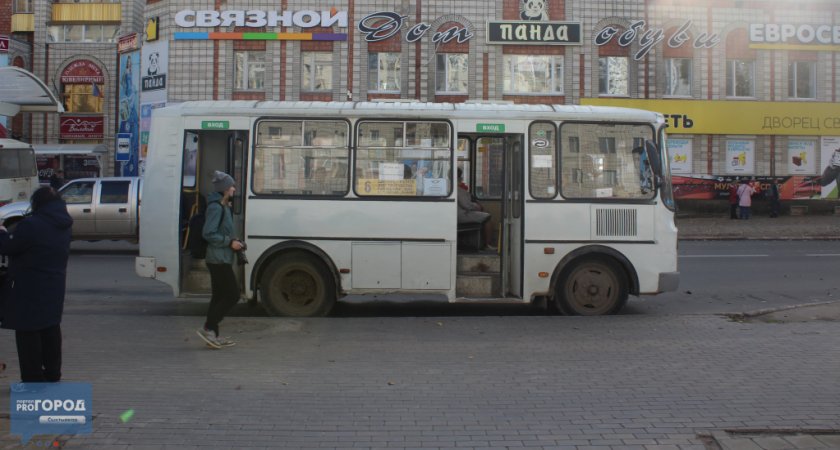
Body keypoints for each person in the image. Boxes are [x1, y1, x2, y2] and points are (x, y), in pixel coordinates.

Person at [0, 187, 73, 382]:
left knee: (27, 332)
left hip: (28, 287)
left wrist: (2, 233)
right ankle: (52, 373)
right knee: (50, 328)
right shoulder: (63, 223)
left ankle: (32, 379)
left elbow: (8, 246)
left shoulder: (32, 225)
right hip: (54, 285)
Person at [196, 171, 244, 349]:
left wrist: (236, 242)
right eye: (231, 186)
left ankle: (212, 335)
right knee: (232, 295)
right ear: (224, 188)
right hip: (217, 258)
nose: (233, 188)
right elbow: (208, 233)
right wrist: (229, 242)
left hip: (222, 257)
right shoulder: (216, 207)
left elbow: (223, 232)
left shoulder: (224, 206)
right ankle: (208, 327)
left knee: (218, 296)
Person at [456, 168, 495, 250]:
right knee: (488, 217)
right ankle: (487, 245)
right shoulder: (458, 188)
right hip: (462, 215)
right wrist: (477, 206)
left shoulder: (453, 186)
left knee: (485, 215)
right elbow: (467, 205)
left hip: (458, 213)